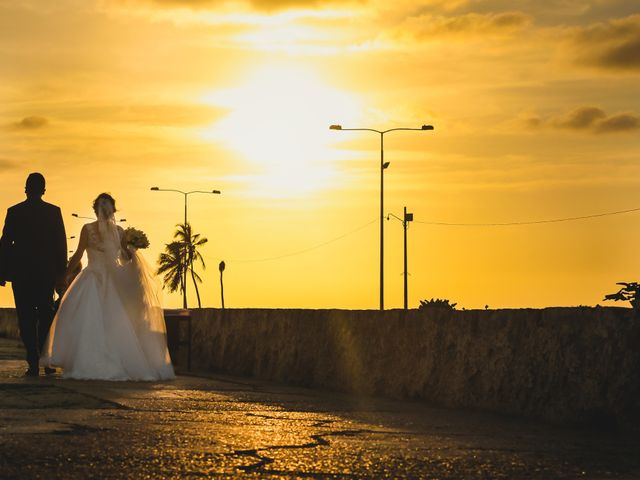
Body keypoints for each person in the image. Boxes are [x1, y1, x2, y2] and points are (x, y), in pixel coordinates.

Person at [41, 193, 175, 381]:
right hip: (108, 280)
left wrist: (64, 274)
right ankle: (109, 359)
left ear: (97, 210)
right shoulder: (116, 231)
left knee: (89, 319)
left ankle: (89, 360)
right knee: (110, 321)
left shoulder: (92, 230)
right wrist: (132, 251)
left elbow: (80, 254)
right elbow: (120, 258)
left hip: (94, 278)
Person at [0, 173, 67, 376]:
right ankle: (46, 360)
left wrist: (3, 272)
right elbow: (61, 245)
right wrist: (60, 274)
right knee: (46, 316)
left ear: (25, 189)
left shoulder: (14, 212)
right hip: (45, 274)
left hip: (22, 274)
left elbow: (4, 244)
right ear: (44, 190)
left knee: (25, 317)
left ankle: (32, 361)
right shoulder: (54, 212)